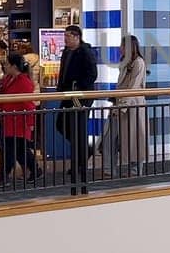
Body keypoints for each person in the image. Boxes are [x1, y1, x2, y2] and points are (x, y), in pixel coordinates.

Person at [56, 25, 98, 190]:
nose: (65, 39)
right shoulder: (66, 52)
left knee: (77, 128)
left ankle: (79, 160)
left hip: (79, 97)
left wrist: (80, 89)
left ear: (76, 36)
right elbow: (63, 72)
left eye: (68, 36)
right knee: (62, 125)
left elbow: (92, 74)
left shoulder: (85, 52)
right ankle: (83, 151)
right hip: (67, 95)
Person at [99, 35, 147, 176]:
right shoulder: (125, 63)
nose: (120, 49)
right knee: (109, 138)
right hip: (121, 104)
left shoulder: (138, 63)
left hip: (131, 106)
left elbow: (133, 86)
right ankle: (109, 170)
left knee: (134, 139)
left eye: (122, 46)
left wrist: (122, 105)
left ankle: (134, 170)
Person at [0, 54, 40, 186]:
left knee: (13, 149)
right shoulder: (8, 79)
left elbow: (28, 105)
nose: (4, 66)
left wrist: (30, 123)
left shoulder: (23, 82)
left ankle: (4, 177)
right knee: (18, 150)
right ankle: (35, 170)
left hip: (19, 121)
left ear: (14, 66)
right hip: (9, 119)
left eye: (7, 64)